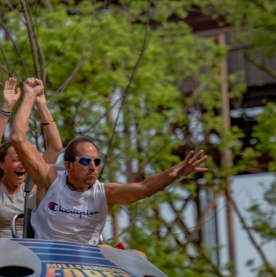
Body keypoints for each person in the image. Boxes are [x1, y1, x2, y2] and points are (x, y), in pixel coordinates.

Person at [11, 78, 207, 248]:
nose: (93, 166)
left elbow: (144, 188)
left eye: (97, 161)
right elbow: (18, 139)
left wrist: (176, 172)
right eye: (86, 161)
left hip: (85, 267)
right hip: (48, 261)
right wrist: (30, 96)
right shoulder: (49, 180)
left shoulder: (104, 194)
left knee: (139, 255)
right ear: (68, 165)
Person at [0, 77, 62, 236]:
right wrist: (7, 106)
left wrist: (42, 105)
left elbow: (55, 146)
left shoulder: (33, 184)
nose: (23, 164)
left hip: (29, 251)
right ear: (2, 164)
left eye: (24, 160)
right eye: (17, 160)